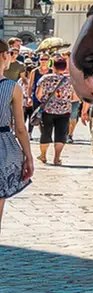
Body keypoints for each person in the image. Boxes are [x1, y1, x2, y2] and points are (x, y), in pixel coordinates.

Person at [0, 60, 32, 228]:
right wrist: (28, 156)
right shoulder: (13, 87)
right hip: (2, 147)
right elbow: (20, 128)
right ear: (5, 56)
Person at [34, 55, 77, 167]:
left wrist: (44, 100)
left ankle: (43, 155)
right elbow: (75, 98)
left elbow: (38, 95)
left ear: (53, 67)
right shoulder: (70, 81)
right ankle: (57, 158)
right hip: (64, 111)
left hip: (48, 110)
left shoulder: (45, 78)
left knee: (45, 133)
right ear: (65, 68)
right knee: (61, 135)